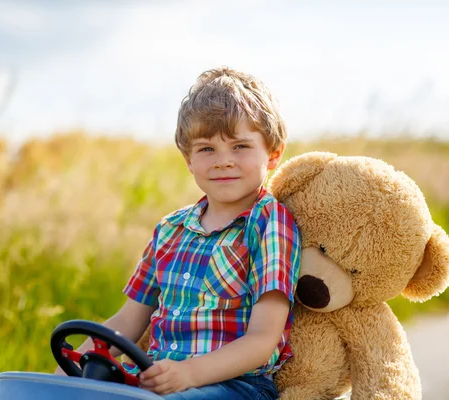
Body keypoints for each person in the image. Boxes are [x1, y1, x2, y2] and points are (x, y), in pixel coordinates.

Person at [56, 67, 301, 399]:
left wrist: (189, 373)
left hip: (236, 386)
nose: (223, 161)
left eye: (240, 146)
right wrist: (63, 376)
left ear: (272, 155)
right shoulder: (170, 229)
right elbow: (129, 319)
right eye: (206, 149)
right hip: (162, 379)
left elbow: (262, 339)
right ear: (188, 159)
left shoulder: (268, 224)